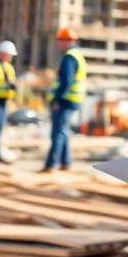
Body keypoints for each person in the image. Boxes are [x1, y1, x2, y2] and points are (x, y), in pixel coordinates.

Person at [42, 28, 86, 173]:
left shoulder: (69, 57)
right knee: (63, 132)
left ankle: (50, 165)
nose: (59, 43)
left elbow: (66, 81)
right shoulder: (77, 55)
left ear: (68, 41)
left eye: (61, 40)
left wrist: (57, 100)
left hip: (64, 100)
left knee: (58, 133)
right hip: (72, 100)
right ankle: (66, 163)